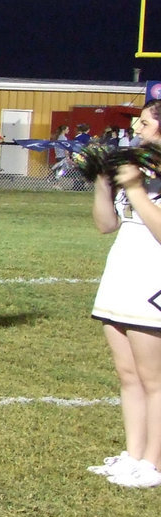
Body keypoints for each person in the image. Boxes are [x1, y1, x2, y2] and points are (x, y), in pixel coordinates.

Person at [86, 99, 161, 487]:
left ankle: (153, 463)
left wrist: (134, 187)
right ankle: (133, 455)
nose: (136, 129)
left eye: (145, 123)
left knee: (155, 379)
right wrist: (104, 182)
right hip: (121, 275)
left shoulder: (150, 177)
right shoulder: (140, 172)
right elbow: (106, 225)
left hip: (153, 279)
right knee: (128, 375)